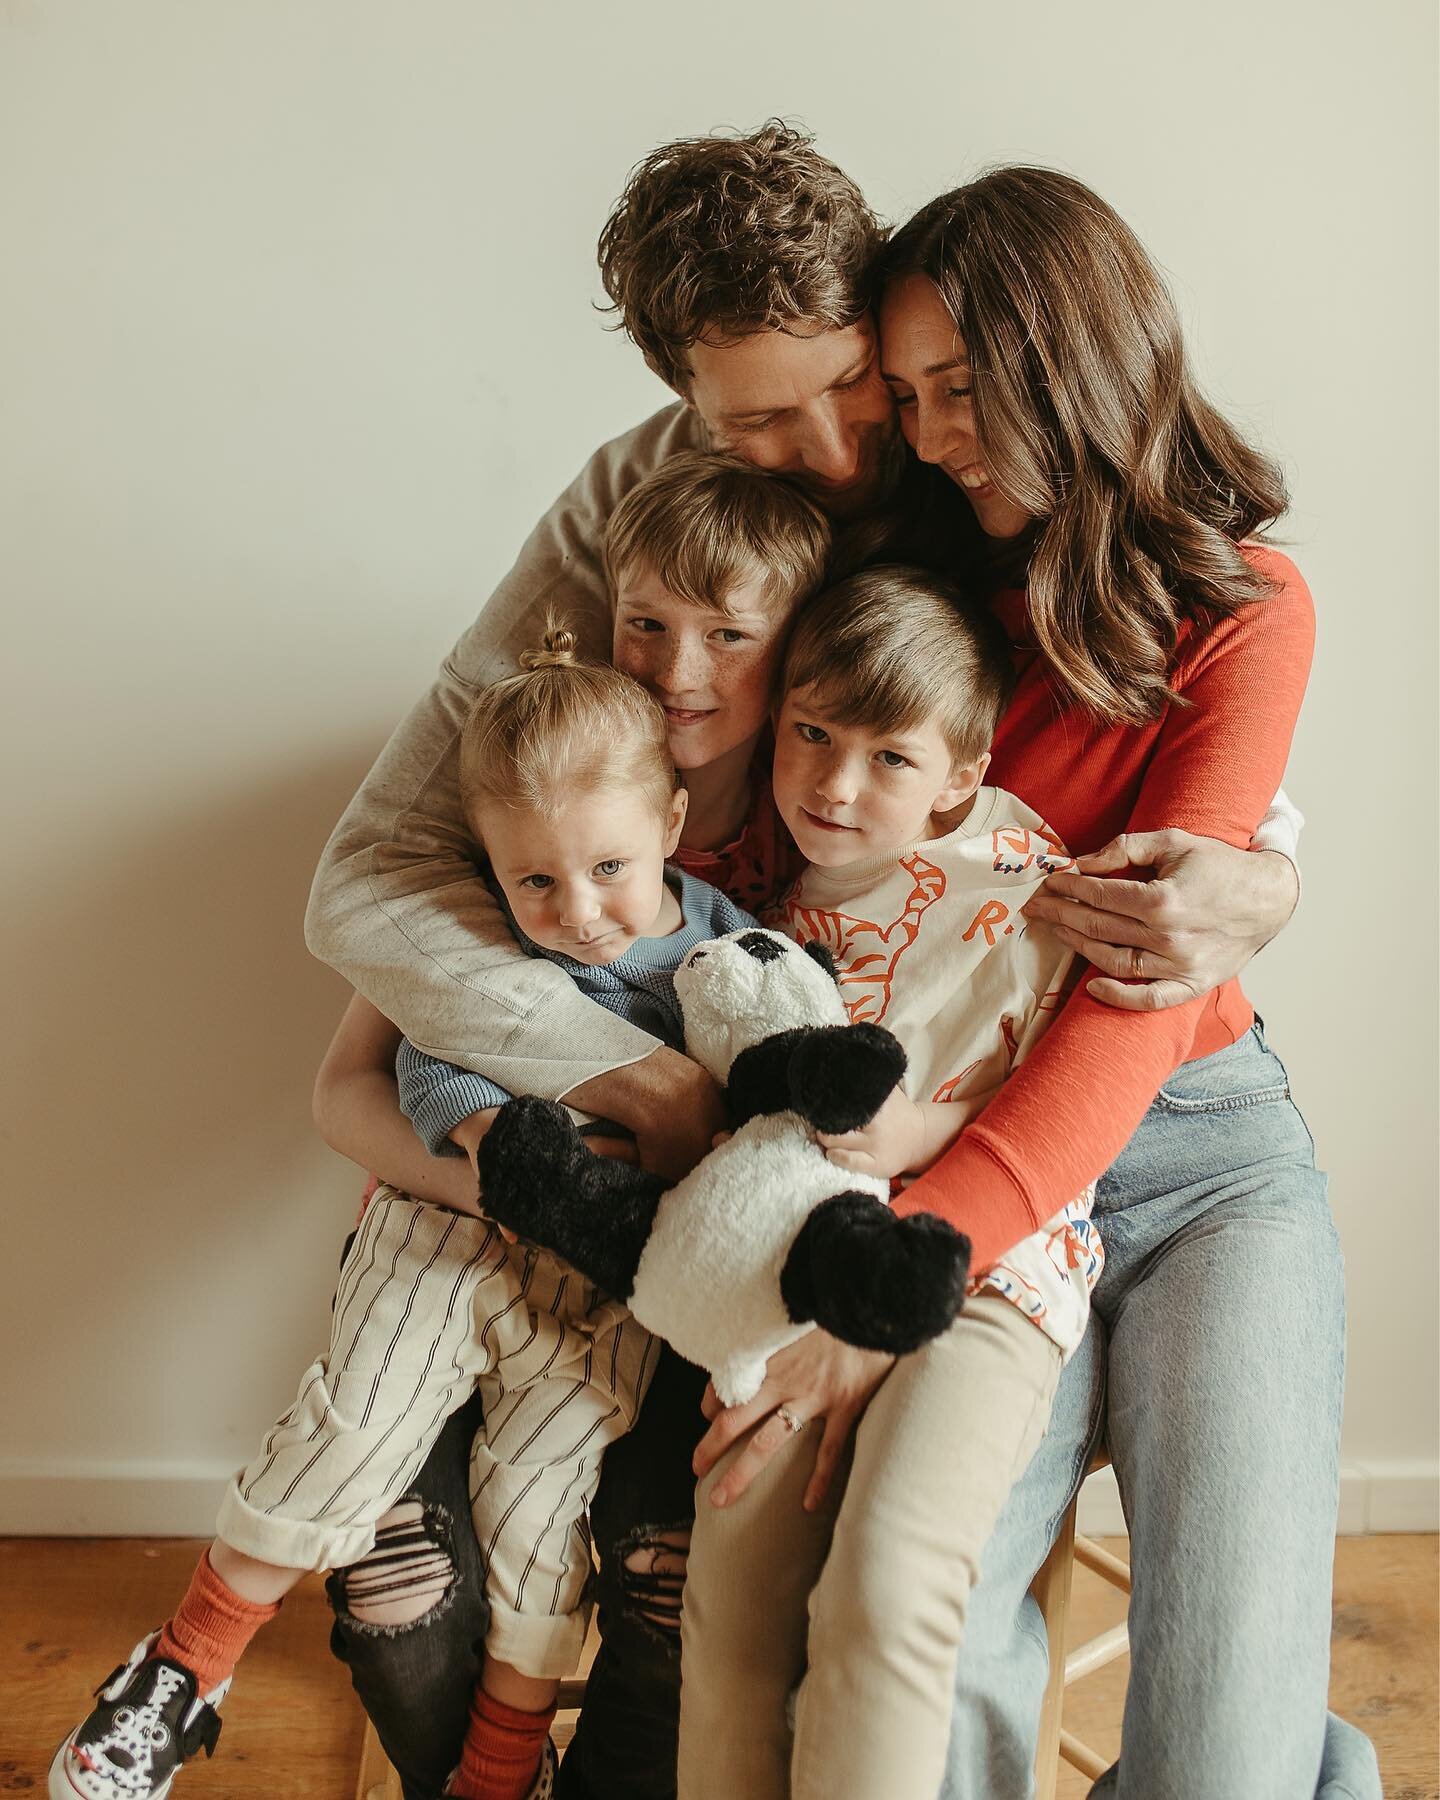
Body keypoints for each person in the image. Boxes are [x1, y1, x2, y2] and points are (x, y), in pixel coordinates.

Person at [304, 124, 1368, 1800]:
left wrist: (1266, 880)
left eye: (911, 393)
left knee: (1223, 1752)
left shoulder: (1202, 596)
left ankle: (1307, 1761)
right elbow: (437, 863)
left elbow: (1128, 964)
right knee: (888, 1629)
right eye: (911, 394)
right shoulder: (827, 556)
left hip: (1153, 1139)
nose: (886, 441)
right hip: (920, 1158)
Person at [47, 592, 773, 1800]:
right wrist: (500, 1152)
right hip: (442, 1226)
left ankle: (498, 1773)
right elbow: (419, 1059)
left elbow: (762, 1069)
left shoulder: (723, 950)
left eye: (607, 869)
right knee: (356, 1423)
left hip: (601, 1287)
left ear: (673, 825)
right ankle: (183, 1668)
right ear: (488, 863)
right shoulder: (466, 935)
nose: (577, 914)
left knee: (544, 1509)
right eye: (533, 880)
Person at [677, 565, 1103, 1799]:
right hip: (801, 1284)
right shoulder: (754, 909)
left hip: (988, 1275)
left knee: (888, 1587)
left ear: (960, 777)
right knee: (736, 1611)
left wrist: (931, 1130)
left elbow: (1076, 1085)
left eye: (888, 758)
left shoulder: (1023, 868)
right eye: (812, 735)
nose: (835, 783)